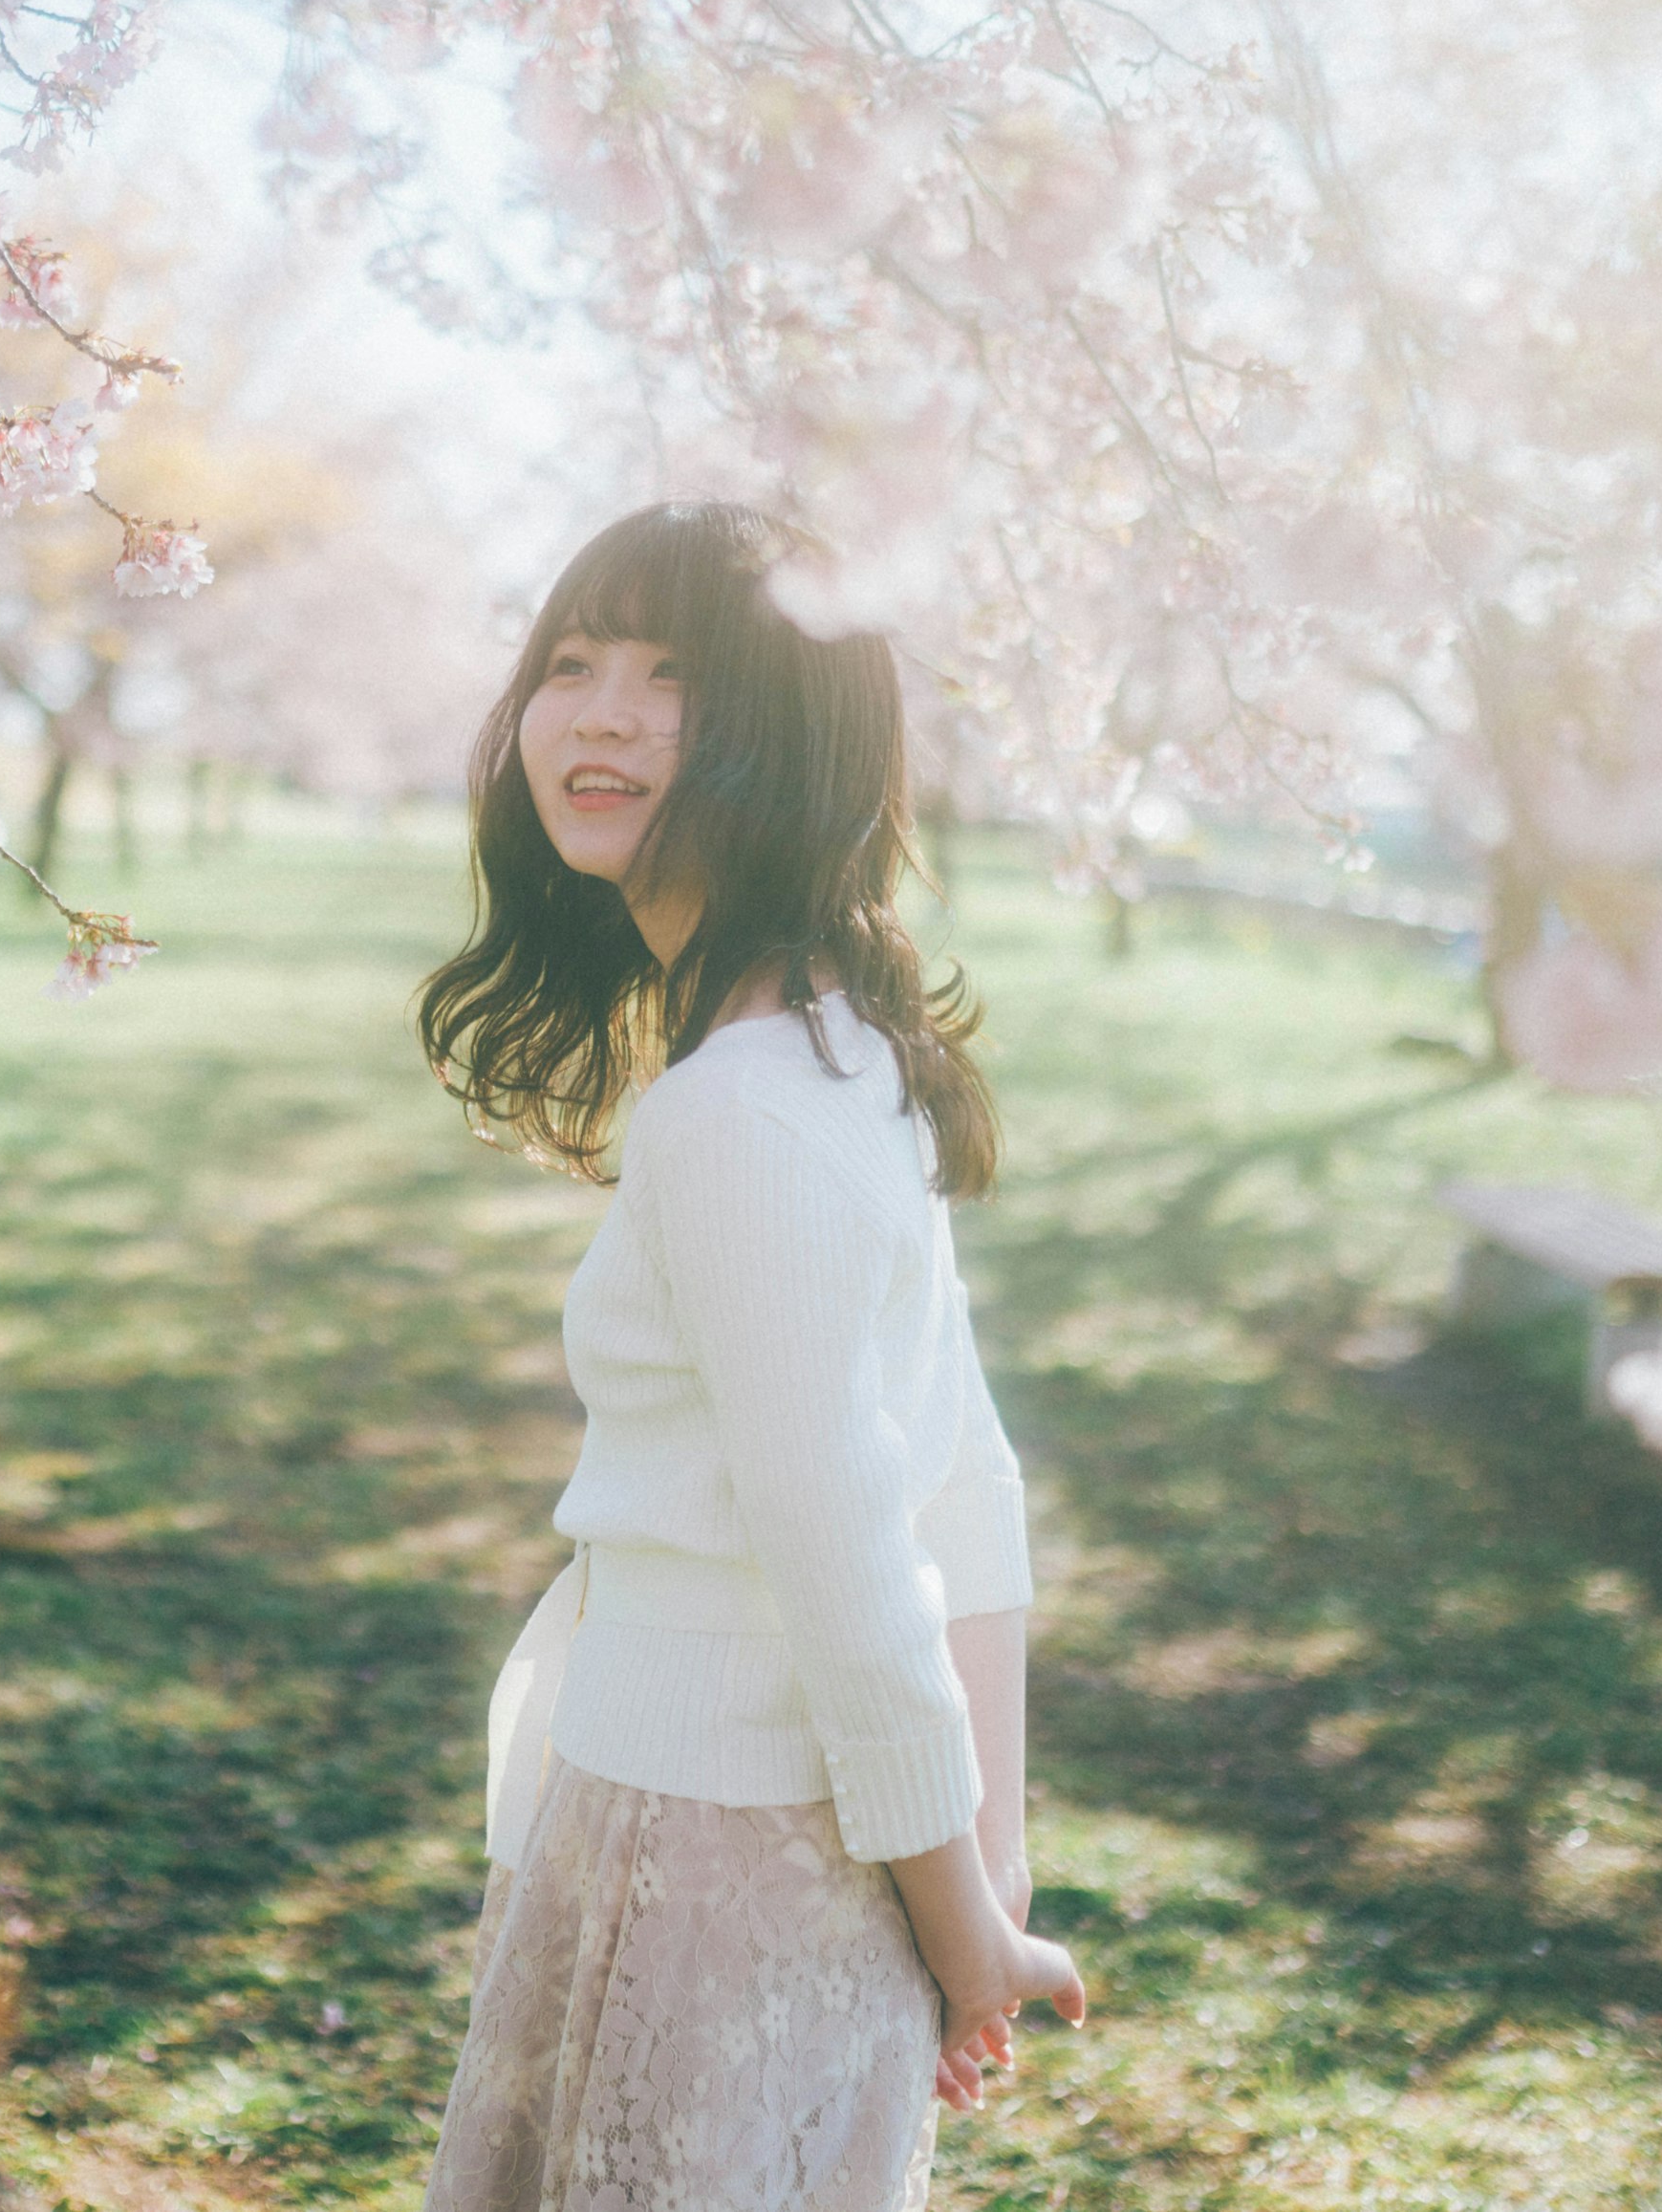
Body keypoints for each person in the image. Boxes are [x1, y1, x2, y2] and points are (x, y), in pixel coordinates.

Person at [412, 502, 1086, 2212]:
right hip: (816, 1857)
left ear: (791, 735)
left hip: (700, 1855)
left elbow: (863, 1561)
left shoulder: (737, 1112)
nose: (604, 715)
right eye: (572, 664)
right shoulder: (854, 1058)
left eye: (676, 677)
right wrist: (977, 1875)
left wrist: (966, 1922)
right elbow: (969, 1484)